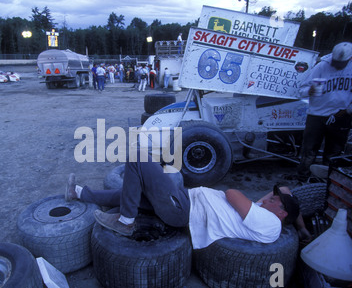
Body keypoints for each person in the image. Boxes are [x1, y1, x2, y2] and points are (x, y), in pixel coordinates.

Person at [65, 153, 311, 248]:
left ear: (281, 210)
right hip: (185, 202)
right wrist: (301, 227)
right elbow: (282, 188)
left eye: (275, 200)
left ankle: (126, 221)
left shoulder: (271, 224)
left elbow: (231, 193)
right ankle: (78, 192)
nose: (269, 198)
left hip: (184, 211)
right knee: (134, 189)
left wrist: (289, 214)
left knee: (137, 158)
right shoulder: (265, 213)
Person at [297, 42, 352, 182]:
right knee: (309, 150)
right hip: (316, 115)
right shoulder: (321, 66)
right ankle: (303, 178)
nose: (337, 65)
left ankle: (328, 183)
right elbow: (301, 91)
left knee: (334, 153)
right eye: (336, 62)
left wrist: (348, 109)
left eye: (342, 63)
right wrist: (310, 91)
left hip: (341, 115)